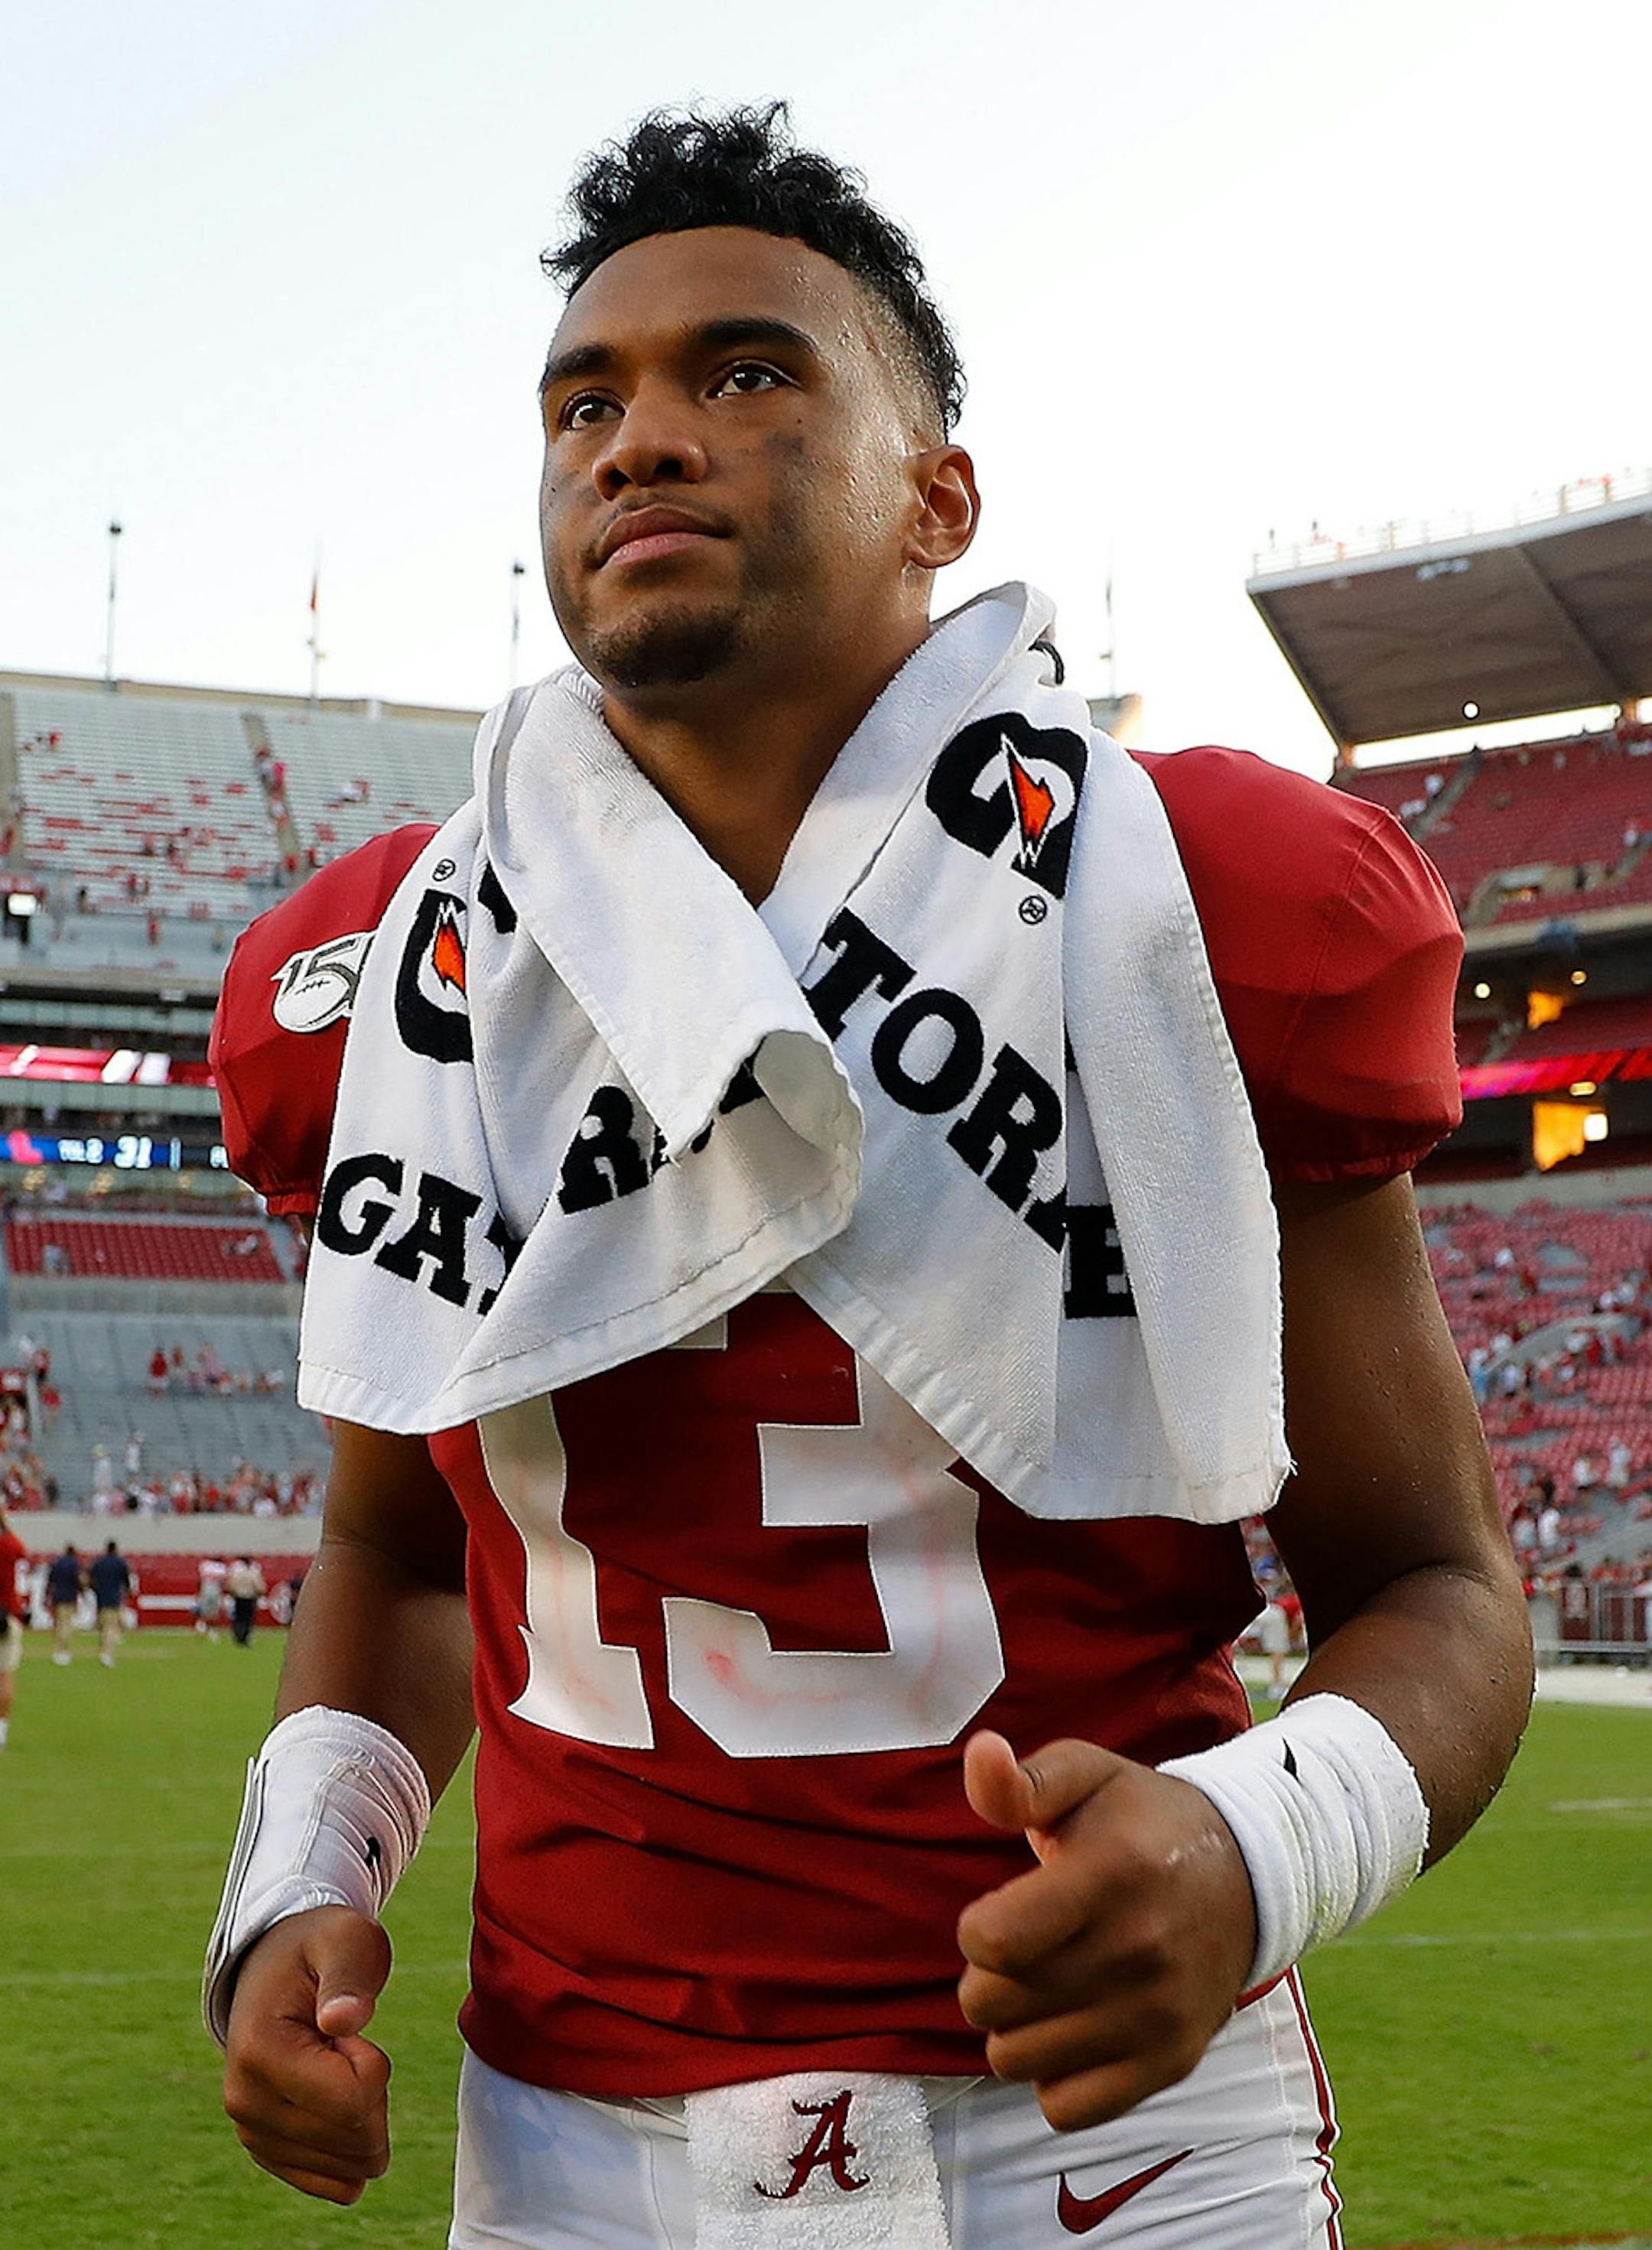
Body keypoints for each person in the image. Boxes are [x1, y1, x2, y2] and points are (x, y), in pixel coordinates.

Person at [205, 108, 1531, 2249]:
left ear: (942, 493)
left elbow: (1440, 1583)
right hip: (568, 2142)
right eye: (586, 402)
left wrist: (1250, 1844)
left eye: (747, 373)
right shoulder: (397, 978)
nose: (644, 438)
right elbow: (405, 1550)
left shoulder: (1192, 903)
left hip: (1114, 2137)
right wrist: (308, 1874)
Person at [0, 1503, 28, 1746]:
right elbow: (22, 1551)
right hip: (7, 1614)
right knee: (5, 1674)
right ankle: (2, 1728)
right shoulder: (9, 1545)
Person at [88, 1538, 132, 1666]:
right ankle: (106, 1653)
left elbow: (91, 1579)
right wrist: (127, 1591)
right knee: (110, 1626)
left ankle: (103, 1647)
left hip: (101, 1598)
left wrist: (96, 1590)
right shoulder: (120, 1563)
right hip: (114, 1597)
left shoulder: (98, 1563)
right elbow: (126, 1580)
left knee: (103, 1624)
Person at [46, 1540, 83, 1664]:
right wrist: (82, 1592)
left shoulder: (57, 1563)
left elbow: (50, 1581)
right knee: (66, 1624)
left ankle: (58, 1649)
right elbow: (78, 1580)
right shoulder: (75, 1564)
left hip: (57, 1597)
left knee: (58, 1623)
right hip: (70, 1597)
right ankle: (63, 1650)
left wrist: (47, 1596)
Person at [224, 1556, 266, 1647]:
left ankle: (238, 1636)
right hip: (249, 1598)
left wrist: (234, 1594)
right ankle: (244, 1637)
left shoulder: (237, 1574)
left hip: (238, 1598)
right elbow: (260, 1587)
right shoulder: (253, 1574)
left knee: (239, 1618)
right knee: (248, 1619)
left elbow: (230, 1585)